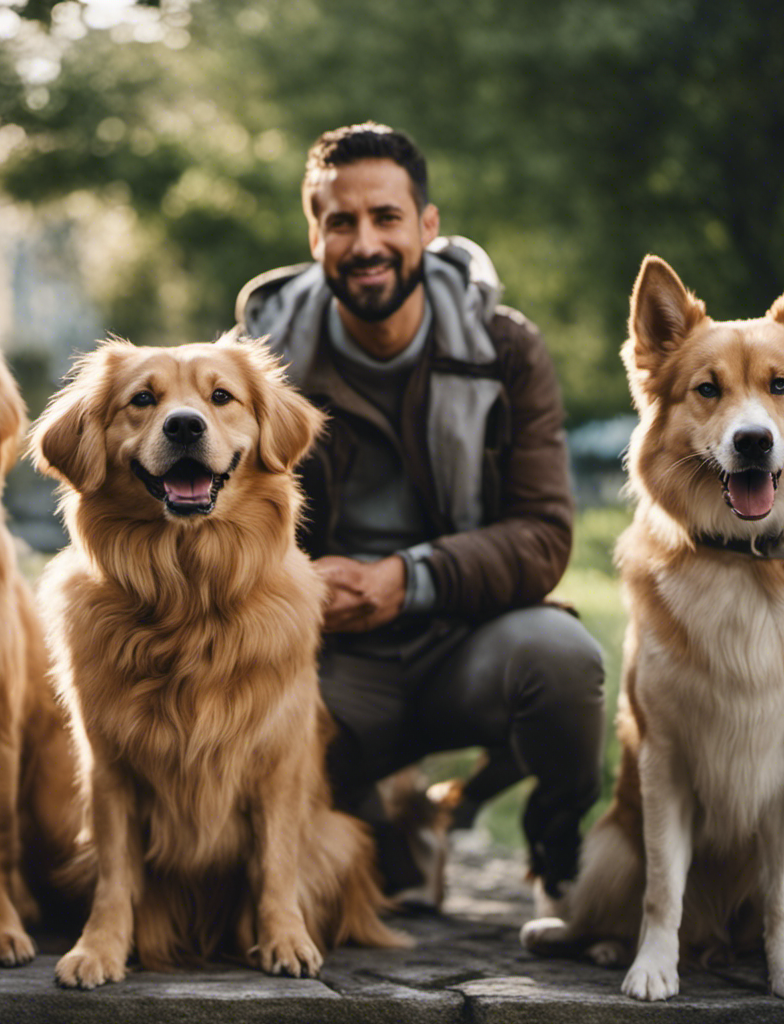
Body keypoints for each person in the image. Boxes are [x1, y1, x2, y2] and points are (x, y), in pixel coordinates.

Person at [235, 122, 604, 910]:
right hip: (322, 658)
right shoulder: (251, 368)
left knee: (564, 659)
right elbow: (214, 525)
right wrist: (296, 580)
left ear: (428, 227)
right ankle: (402, 821)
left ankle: (554, 842)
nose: (365, 242)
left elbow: (543, 534)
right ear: (315, 235)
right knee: (370, 876)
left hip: (460, 640)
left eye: (387, 218)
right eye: (341, 222)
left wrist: (412, 578)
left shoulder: (506, 350)